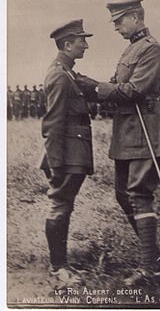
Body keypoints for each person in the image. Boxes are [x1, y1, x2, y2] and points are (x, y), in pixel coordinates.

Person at [77, 0, 160, 285]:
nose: (116, 27)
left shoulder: (152, 49)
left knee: (139, 194)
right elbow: (117, 86)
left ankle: (149, 269)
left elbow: (134, 90)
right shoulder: (131, 48)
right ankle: (153, 254)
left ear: (134, 17)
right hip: (126, 132)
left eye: (119, 21)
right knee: (122, 194)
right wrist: (90, 87)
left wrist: (95, 87)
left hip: (144, 131)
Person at [39, 19, 98, 284]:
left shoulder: (68, 72)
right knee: (60, 206)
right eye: (81, 41)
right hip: (66, 156)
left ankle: (62, 264)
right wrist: (56, 164)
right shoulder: (59, 75)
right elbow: (52, 123)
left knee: (64, 206)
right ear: (67, 44)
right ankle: (58, 268)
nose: (86, 45)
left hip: (74, 153)